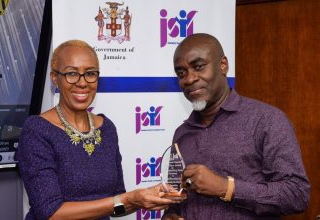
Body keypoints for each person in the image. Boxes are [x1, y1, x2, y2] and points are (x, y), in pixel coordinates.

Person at [16, 40, 175, 220]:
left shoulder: (106, 128)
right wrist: (129, 198)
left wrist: (143, 198)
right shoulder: (37, 130)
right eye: (72, 73)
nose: (82, 83)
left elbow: (116, 205)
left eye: (90, 74)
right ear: (55, 78)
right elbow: (51, 213)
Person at [162, 33, 310, 219]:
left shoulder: (267, 121)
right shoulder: (182, 134)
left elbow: (297, 194)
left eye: (198, 66)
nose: (189, 79)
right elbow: (176, 196)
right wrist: (171, 213)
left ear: (223, 65)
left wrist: (226, 187)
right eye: (181, 73)